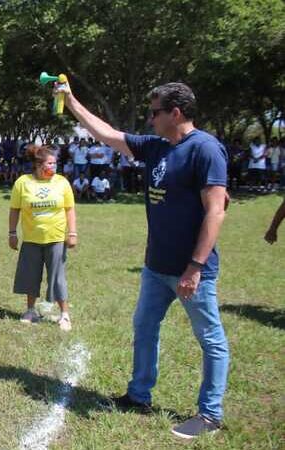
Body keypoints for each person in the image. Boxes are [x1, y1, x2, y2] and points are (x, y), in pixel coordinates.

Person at [60, 80, 229, 439]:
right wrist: (72, 101)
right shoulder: (155, 147)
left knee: (210, 338)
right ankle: (138, 395)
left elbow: (216, 212)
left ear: (175, 113)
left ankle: (210, 414)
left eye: (155, 112)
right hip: (156, 267)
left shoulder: (206, 150)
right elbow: (106, 134)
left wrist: (195, 267)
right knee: (145, 328)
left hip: (191, 269)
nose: (149, 119)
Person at [9, 145, 76, 332]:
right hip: (31, 239)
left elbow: (69, 209)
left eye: (55, 163)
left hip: (55, 238)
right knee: (30, 275)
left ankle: (64, 314)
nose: (53, 167)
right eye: (50, 163)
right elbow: (15, 209)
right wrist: (12, 233)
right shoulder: (23, 183)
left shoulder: (62, 182)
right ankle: (30, 311)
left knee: (57, 277)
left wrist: (72, 233)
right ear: (38, 165)